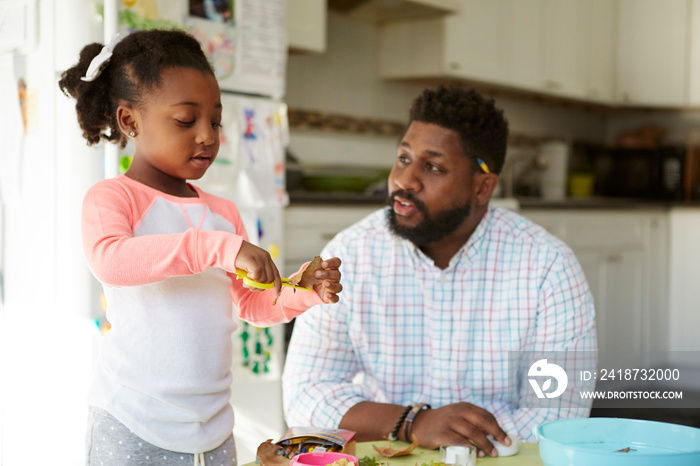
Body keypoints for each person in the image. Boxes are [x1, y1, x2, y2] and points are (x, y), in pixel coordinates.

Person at [58, 29, 342, 466]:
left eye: (216, 120)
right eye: (187, 121)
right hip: (133, 424)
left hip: (212, 429)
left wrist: (300, 290)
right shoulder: (113, 198)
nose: (208, 135)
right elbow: (112, 262)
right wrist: (216, 247)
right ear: (130, 121)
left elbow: (250, 303)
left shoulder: (223, 213)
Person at [282, 86, 596, 457]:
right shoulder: (350, 255)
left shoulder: (548, 267)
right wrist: (411, 422)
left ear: (482, 187)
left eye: (432, 166)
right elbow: (305, 394)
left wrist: (456, 444)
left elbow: (558, 414)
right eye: (403, 158)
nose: (405, 180)